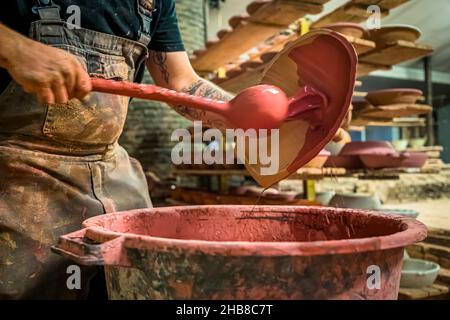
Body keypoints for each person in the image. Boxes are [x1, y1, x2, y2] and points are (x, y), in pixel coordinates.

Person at [0, 0, 231, 299]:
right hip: (18, 172)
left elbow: (181, 82)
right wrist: (13, 47)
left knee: (141, 285)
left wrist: (242, 114)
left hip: (113, 174)